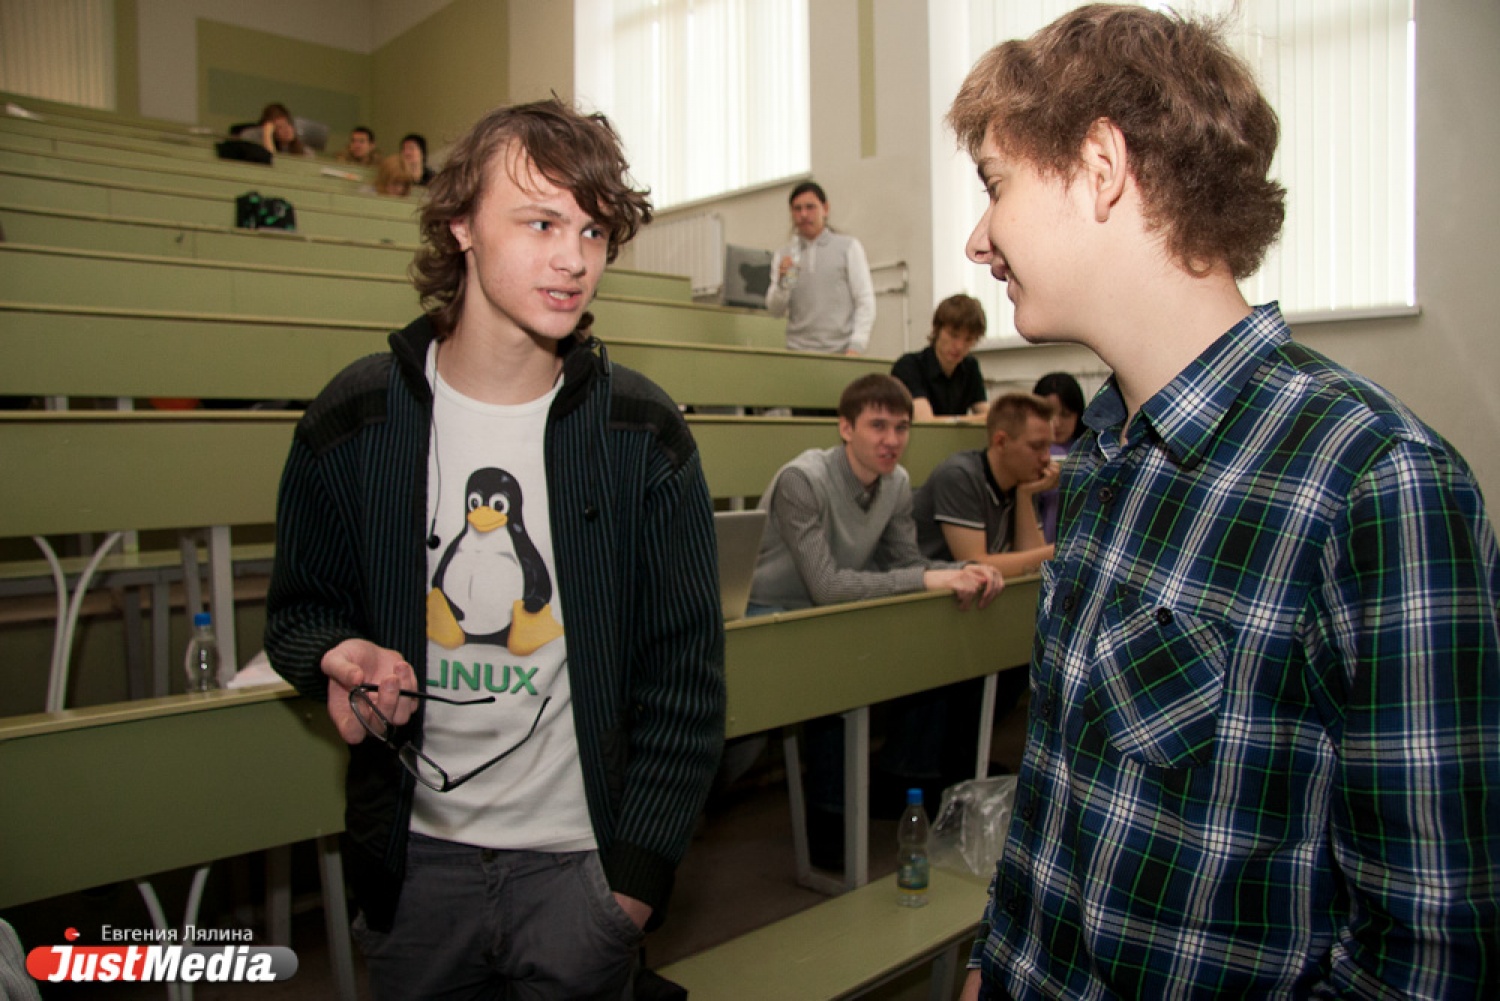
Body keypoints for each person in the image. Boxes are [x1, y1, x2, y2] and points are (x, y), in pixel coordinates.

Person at [948, 6, 1499, 1000]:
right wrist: (997, 958)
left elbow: (1426, 954)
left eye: (995, 185)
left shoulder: (1375, 481)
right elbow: (1063, 792)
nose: (977, 238)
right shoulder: (1102, 455)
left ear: (1102, 165)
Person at [265, 99, 726, 999]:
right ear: (462, 225)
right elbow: (299, 610)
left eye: (593, 230)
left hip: (581, 870)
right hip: (415, 869)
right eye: (541, 222)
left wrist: (632, 884)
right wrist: (335, 650)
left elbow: (686, 682)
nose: (574, 258)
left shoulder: (643, 434)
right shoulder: (355, 417)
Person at [749, 373, 1004, 867]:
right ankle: (830, 823)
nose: (892, 440)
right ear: (846, 428)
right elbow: (826, 587)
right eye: (878, 426)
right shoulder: (802, 479)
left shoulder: (897, 483)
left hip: (832, 613)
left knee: (920, 636)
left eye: (902, 427)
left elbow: (906, 565)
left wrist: (965, 569)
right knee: (836, 668)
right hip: (769, 613)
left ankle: (896, 785)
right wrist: (929, 579)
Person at [913, 392, 1057, 579]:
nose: (1046, 458)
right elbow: (976, 565)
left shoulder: (1024, 478)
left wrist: (1025, 495)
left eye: (1049, 447)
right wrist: (1058, 551)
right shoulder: (959, 476)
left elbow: (1033, 568)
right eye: (1037, 446)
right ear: (1001, 442)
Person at [764, 181, 876, 355]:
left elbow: (865, 300)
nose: (803, 214)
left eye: (810, 207)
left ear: (825, 209)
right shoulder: (786, 256)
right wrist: (781, 283)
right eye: (797, 209)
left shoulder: (848, 248)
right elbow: (775, 311)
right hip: (797, 352)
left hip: (840, 353)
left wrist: (856, 346)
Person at [892, 293, 991, 421]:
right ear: (937, 330)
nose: (959, 346)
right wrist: (965, 421)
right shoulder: (909, 366)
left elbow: (990, 418)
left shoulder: (970, 366)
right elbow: (926, 422)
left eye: (968, 339)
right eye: (953, 335)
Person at [1028, 371, 1086, 542]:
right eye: (1049, 414)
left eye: (1065, 415)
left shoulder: (1091, 450)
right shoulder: (1025, 451)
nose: (1057, 423)